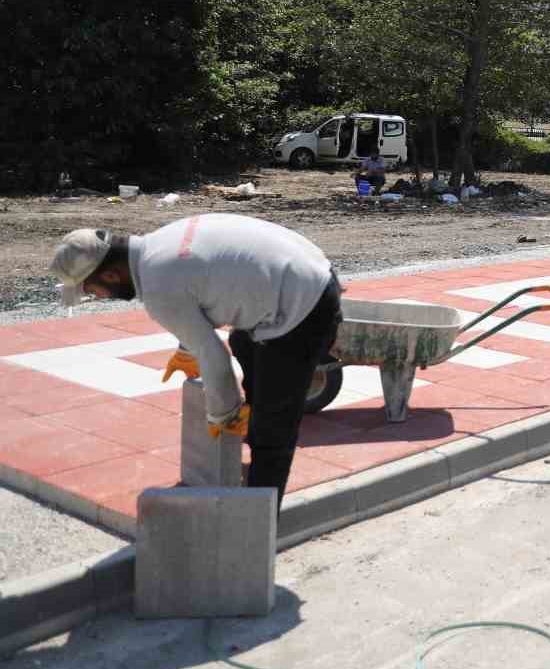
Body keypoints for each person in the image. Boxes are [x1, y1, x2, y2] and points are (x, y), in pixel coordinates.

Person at [48, 215, 342, 506]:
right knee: (243, 342)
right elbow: (198, 293)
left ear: (111, 275)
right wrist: (188, 349)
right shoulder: (159, 244)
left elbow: (214, 358)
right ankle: (258, 426)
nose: (97, 296)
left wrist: (223, 414)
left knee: (272, 432)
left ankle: (255, 533)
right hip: (310, 270)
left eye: (90, 289)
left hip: (307, 306)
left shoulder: (157, 287)